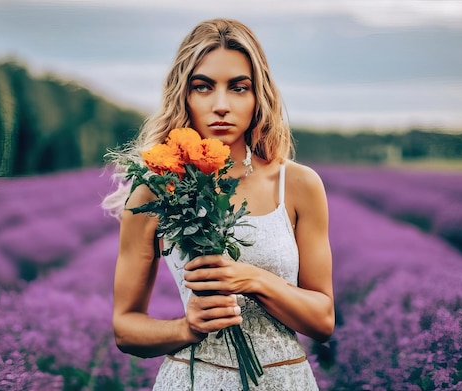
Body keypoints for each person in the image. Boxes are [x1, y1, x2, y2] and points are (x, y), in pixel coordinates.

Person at [102, 18, 334, 390]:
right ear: (185, 95)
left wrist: (254, 280)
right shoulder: (155, 190)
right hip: (193, 379)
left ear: (259, 95)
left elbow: (323, 321)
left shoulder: (299, 185)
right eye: (203, 87)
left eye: (239, 88)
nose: (221, 105)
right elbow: (125, 328)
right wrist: (186, 326)